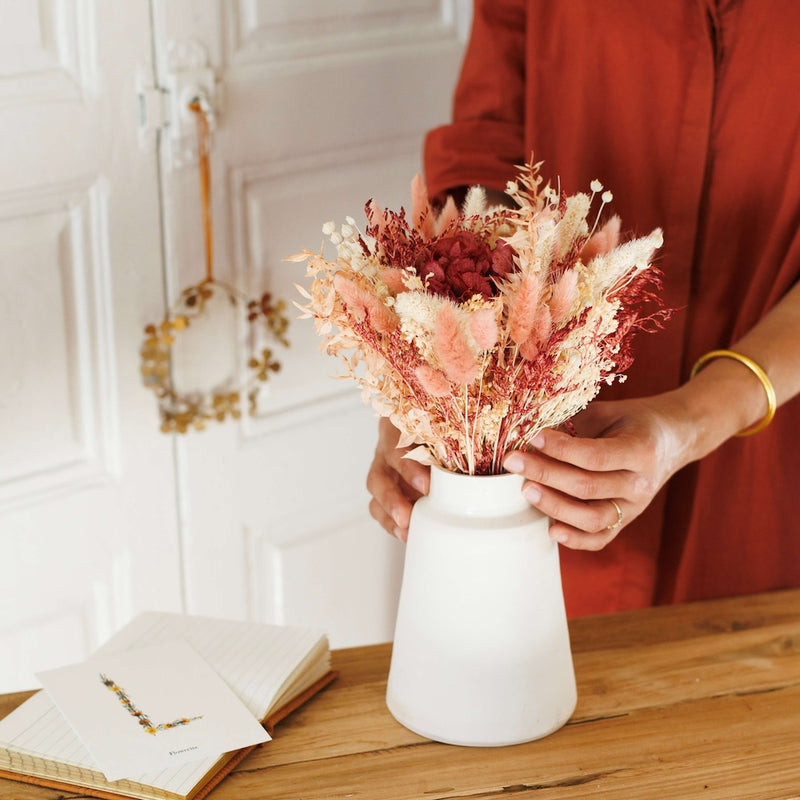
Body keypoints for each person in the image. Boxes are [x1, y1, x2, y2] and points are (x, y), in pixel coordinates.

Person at [366, 0, 800, 617]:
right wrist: (431, 373)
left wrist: (691, 423)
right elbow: (488, 142)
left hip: (771, 448)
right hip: (543, 434)